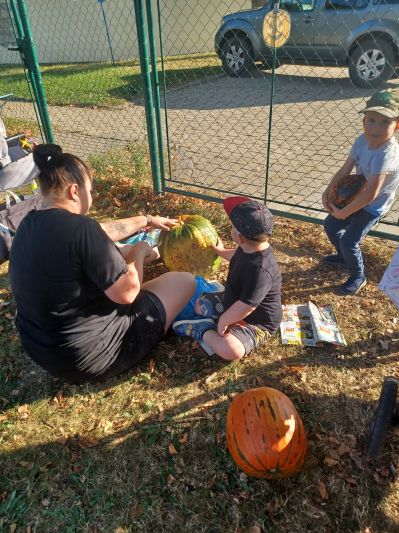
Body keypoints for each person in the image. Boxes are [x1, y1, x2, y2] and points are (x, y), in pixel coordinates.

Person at [9, 144, 196, 383]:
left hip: (41, 350)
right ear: (75, 191)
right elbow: (127, 293)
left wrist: (147, 220)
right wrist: (138, 252)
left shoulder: (28, 223)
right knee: (183, 281)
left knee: (117, 250)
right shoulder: (82, 229)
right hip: (89, 358)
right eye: (91, 189)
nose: (93, 196)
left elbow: (104, 232)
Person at [173, 196, 282, 361]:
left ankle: (202, 330)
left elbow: (247, 306)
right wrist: (220, 251)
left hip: (257, 322)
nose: (230, 229)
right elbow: (236, 255)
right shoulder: (249, 247)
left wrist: (224, 320)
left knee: (230, 350)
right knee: (198, 306)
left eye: (232, 227)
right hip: (233, 302)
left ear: (240, 237)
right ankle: (217, 318)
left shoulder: (261, 270)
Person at [322, 88, 399, 296]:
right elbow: (344, 170)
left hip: (374, 205)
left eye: (385, 122)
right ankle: (344, 257)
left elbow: (371, 195)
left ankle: (358, 276)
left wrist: (344, 211)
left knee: (349, 240)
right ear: (364, 121)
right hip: (357, 196)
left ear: (397, 126)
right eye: (372, 120)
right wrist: (327, 192)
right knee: (330, 224)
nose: (376, 127)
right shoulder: (360, 142)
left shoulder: (387, 154)